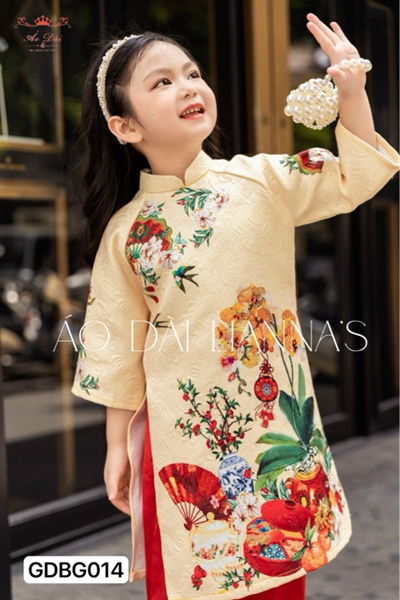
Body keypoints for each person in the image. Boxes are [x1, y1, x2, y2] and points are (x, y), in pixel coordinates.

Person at [71, 13, 400, 600]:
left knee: (276, 575)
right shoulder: (127, 232)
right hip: (181, 442)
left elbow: (358, 174)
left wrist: (351, 92)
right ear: (124, 126)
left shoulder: (262, 180)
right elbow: (116, 343)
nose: (188, 86)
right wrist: (116, 444)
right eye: (162, 82)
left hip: (274, 435)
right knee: (190, 578)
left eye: (192, 73)